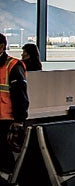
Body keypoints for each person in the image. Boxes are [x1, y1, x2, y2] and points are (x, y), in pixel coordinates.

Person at [0, 33, 28, 174]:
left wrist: (19, 119)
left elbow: (20, 95)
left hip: (7, 118)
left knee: (4, 153)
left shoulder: (13, 66)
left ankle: (11, 177)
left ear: (1, 47)